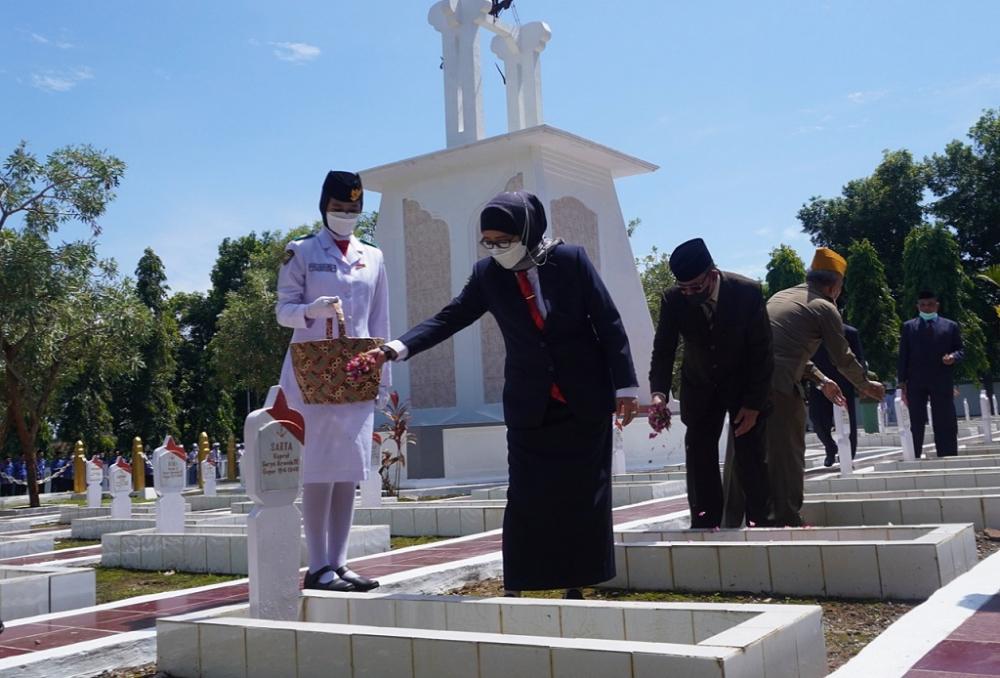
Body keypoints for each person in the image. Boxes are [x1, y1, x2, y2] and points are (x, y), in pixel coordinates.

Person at [365, 191, 639, 599]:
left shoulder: (571, 261)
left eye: (503, 241)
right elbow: (449, 317)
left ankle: (575, 583)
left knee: (582, 495)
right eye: (488, 242)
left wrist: (626, 385)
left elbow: (608, 322)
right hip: (530, 403)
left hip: (583, 399)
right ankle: (519, 583)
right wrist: (396, 348)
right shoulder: (487, 275)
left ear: (526, 232)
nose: (496, 249)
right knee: (527, 497)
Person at [276, 170, 389, 593]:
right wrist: (310, 310)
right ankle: (318, 565)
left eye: (353, 209)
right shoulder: (302, 252)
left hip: (357, 371)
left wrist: (383, 374)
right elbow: (282, 311)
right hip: (310, 372)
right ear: (324, 207)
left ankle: (340, 564)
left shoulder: (372, 256)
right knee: (318, 468)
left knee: (349, 470)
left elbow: (380, 319)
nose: (346, 215)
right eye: (339, 208)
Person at [648, 238, 773, 529]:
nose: (689, 294)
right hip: (700, 386)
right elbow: (664, 350)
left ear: (712, 273)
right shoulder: (673, 300)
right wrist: (658, 394)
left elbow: (762, 352)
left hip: (744, 388)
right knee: (700, 456)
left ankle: (763, 524)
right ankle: (705, 524)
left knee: (751, 458)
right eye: (684, 288)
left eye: (696, 287)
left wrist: (754, 404)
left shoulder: (747, 293)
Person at [766, 248, 885, 526]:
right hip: (779, 384)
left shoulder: (781, 296)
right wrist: (865, 385)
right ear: (833, 285)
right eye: (840, 288)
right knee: (790, 452)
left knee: (758, 451)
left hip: (747, 381)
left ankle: (752, 514)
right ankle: (787, 518)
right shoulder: (824, 306)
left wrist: (822, 380)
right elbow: (842, 356)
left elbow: (781, 350)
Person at [897, 290, 964, 457]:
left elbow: (961, 350)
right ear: (918, 306)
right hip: (915, 380)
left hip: (941, 379)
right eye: (923, 305)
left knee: (945, 419)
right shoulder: (908, 326)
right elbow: (903, 354)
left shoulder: (950, 326)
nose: (927, 308)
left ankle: (947, 453)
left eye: (930, 304)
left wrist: (953, 357)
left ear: (937, 305)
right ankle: (914, 454)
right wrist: (901, 381)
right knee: (916, 420)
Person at [809, 323, 866, 466]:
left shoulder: (850, 332)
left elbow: (859, 359)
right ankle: (830, 447)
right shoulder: (811, 331)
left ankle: (848, 456)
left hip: (845, 383)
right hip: (819, 383)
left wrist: (862, 383)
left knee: (848, 422)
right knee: (817, 420)